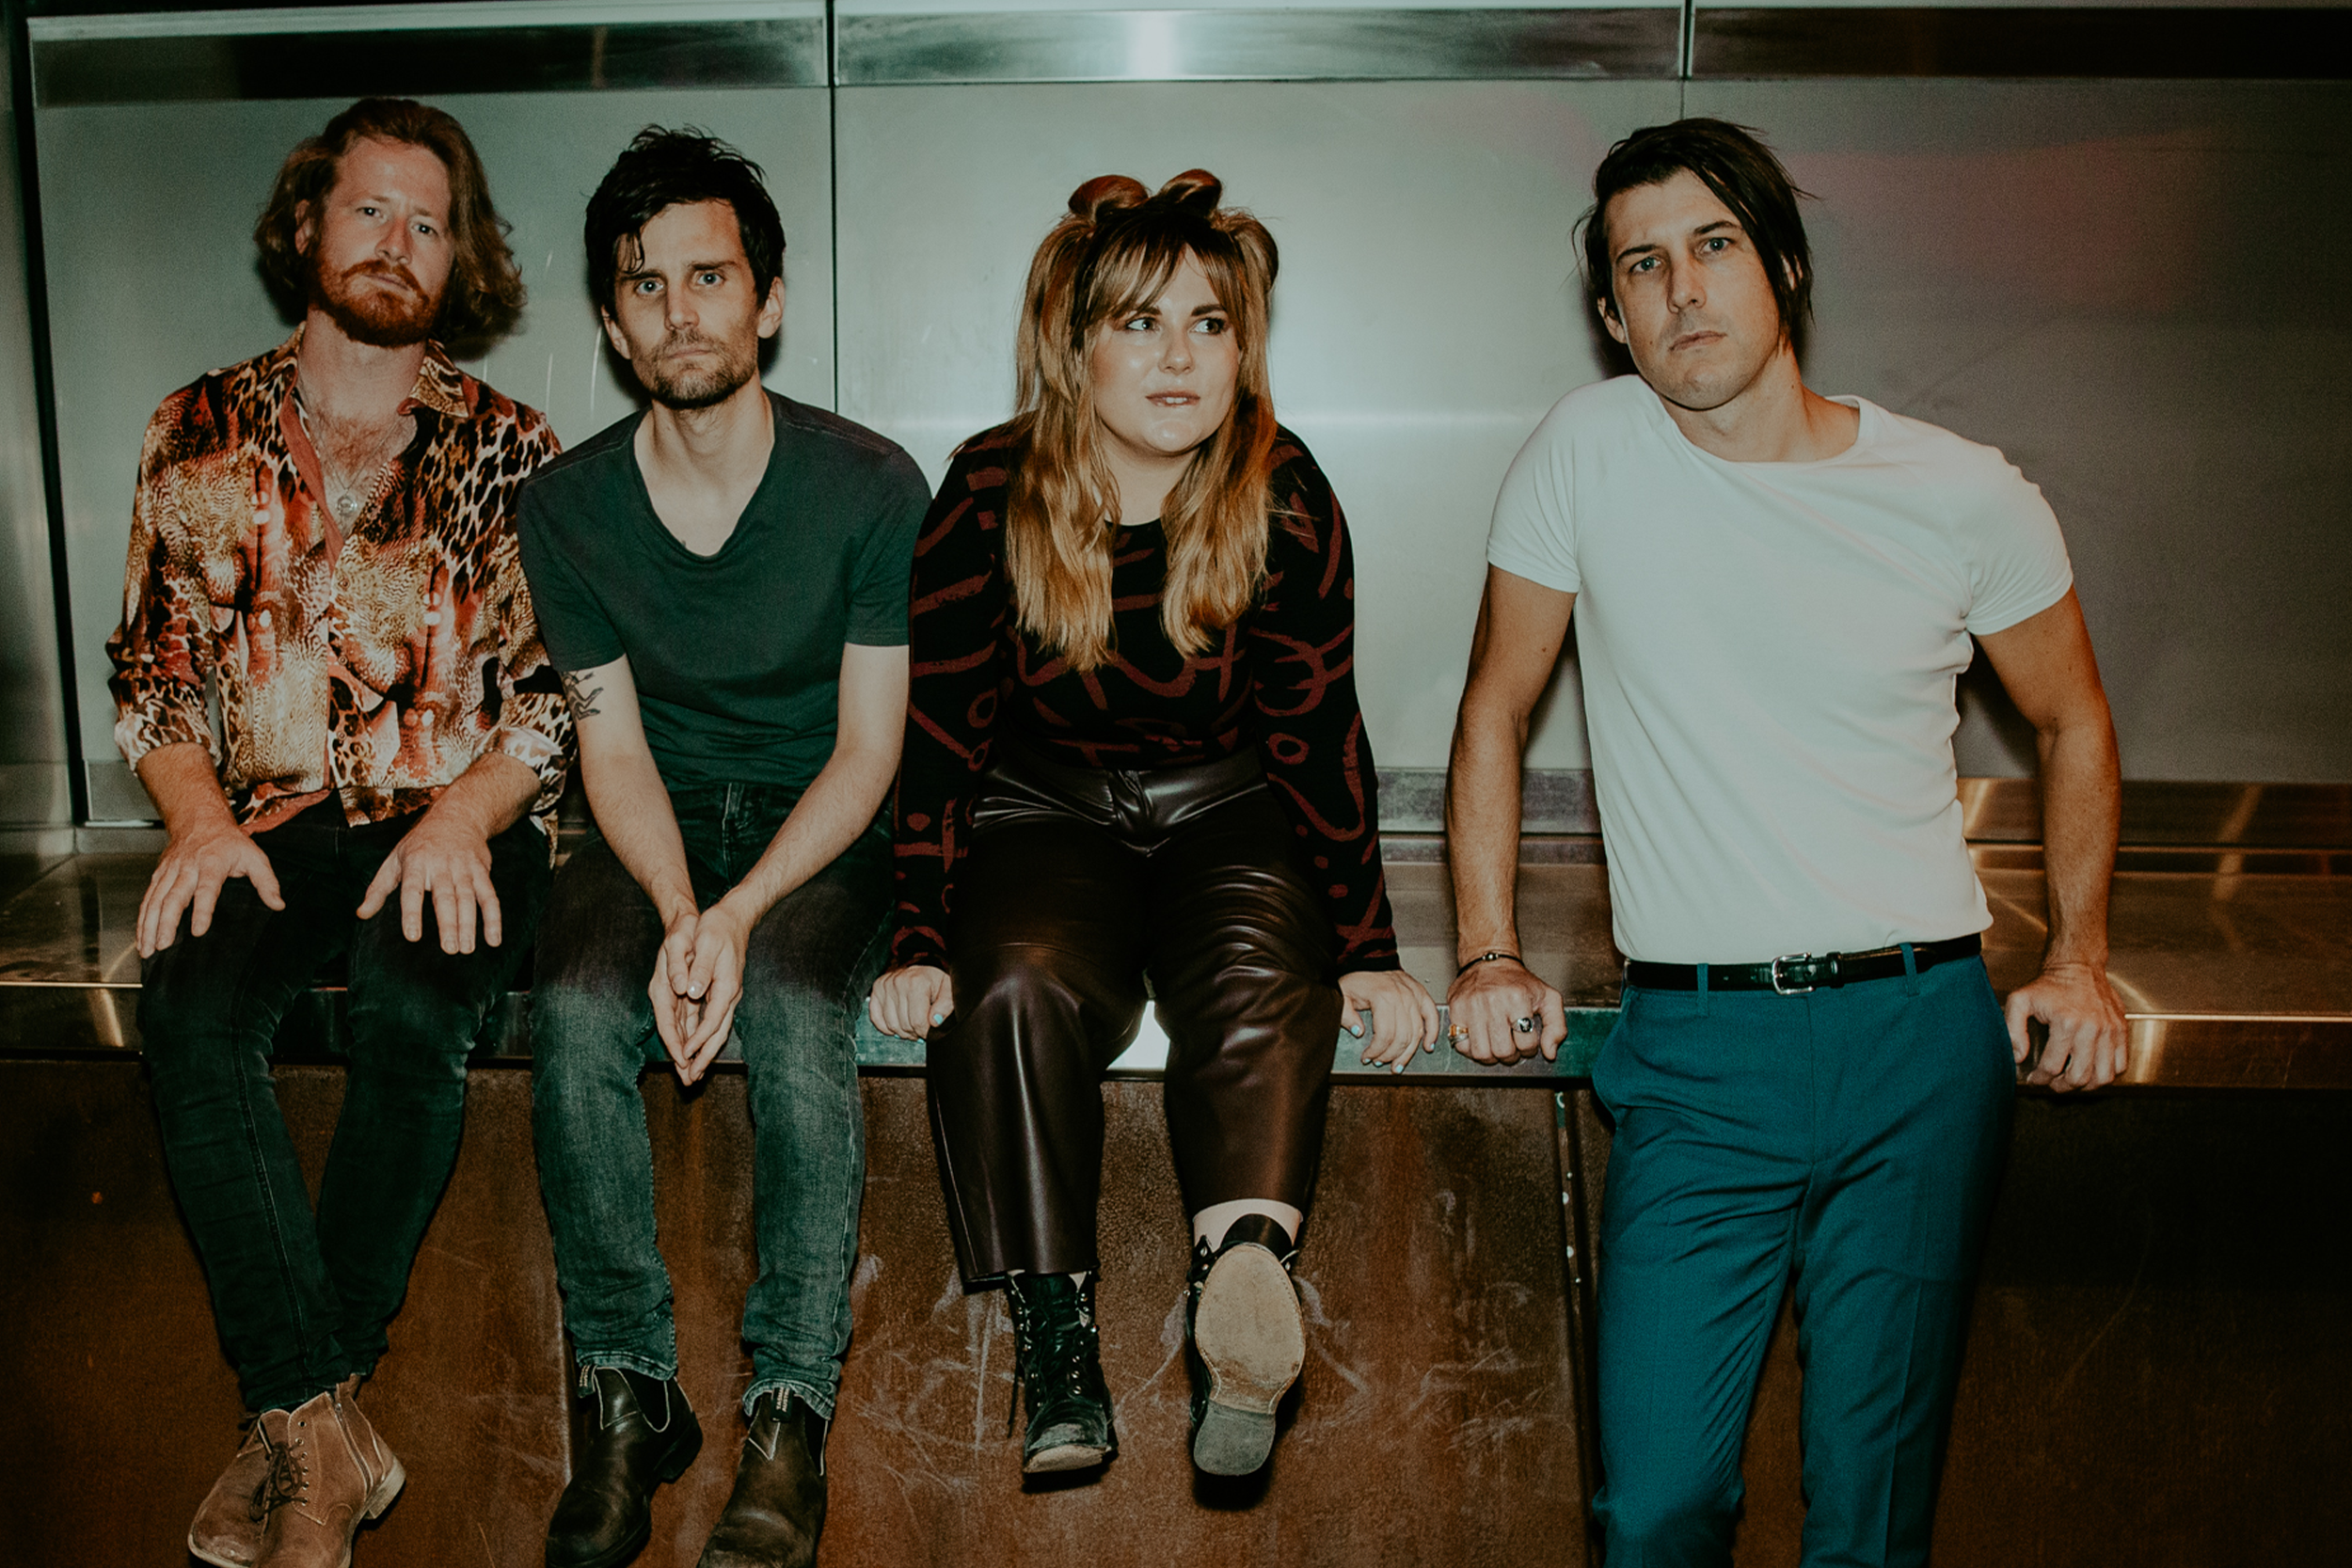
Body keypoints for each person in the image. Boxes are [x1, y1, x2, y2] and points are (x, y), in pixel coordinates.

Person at [1444, 119, 2130, 1565]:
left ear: (1787, 270)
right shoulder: (1584, 452)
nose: (1683, 288)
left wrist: (2079, 957)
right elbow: (1496, 706)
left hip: (1916, 1037)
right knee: (1656, 1507)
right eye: (1644, 264)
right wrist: (1488, 948)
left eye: (1715, 246)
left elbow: (2073, 718)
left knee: (1871, 1518)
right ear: (1612, 313)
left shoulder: (1961, 490)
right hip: (1699, 1054)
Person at [869, 170, 1439, 1482]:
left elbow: (1315, 731)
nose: (1180, 356)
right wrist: (918, 934)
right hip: (1040, 809)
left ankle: (1245, 1271)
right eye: (1140, 323)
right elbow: (943, 732)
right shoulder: (989, 488)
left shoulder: (1282, 490)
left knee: (1261, 979)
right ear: (1073, 344)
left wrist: (1366, 948)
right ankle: (1056, 1334)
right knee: (1010, 987)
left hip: (1229, 804)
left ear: (1245, 346)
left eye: (1209, 324)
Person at [105, 98, 564, 1568]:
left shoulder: (513, 447)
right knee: (188, 1010)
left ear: (458, 258)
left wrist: (468, 817)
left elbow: (551, 696)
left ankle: (300, 1427)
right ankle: (320, 1426)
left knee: (416, 1013)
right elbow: (154, 673)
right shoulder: (194, 429)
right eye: (371, 208)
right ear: (307, 222)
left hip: (456, 814)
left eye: (430, 223)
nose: (398, 243)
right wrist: (193, 818)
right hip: (271, 817)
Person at [516, 129, 928, 1568]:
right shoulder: (564, 508)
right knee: (576, 1003)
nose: (681, 310)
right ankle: (626, 1393)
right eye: (648, 283)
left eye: (711, 275)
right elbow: (614, 749)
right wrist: (679, 902)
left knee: (796, 1001)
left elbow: (870, 751)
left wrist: (739, 915)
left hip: (824, 820)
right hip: (658, 820)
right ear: (612, 320)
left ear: (770, 298)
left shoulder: (870, 487)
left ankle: (788, 1413)